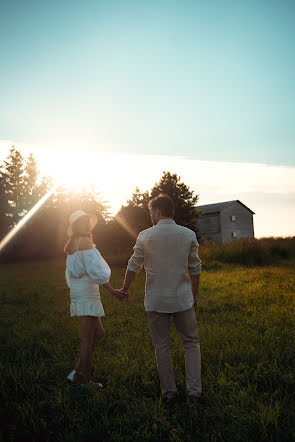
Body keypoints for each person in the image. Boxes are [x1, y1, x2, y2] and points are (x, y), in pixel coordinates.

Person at [120, 194, 202, 404]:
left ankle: (169, 393)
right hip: (182, 299)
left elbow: (133, 265)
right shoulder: (188, 234)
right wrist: (194, 294)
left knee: (162, 346)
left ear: (157, 211)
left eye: (151, 212)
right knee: (191, 343)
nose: (151, 216)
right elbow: (195, 268)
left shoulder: (145, 236)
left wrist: (125, 288)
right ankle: (194, 392)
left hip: (156, 301)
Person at [64, 209, 127, 388]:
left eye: (86, 221)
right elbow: (95, 270)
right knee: (87, 338)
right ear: (75, 226)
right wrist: (113, 290)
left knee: (98, 333)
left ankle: (77, 372)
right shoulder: (83, 241)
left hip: (80, 290)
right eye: (81, 222)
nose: (85, 224)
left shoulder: (72, 243)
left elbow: (71, 272)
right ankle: (84, 379)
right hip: (87, 291)